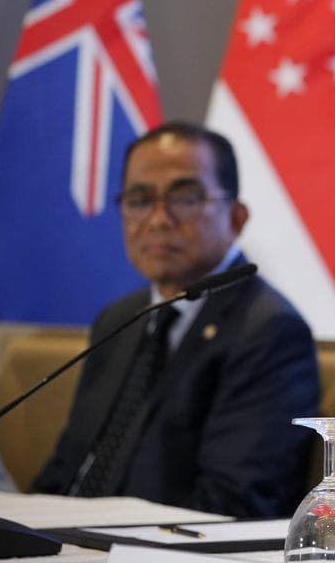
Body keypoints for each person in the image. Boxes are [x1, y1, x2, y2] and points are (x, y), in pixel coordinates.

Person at [33, 121, 319, 519]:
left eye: (184, 198)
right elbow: (67, 469)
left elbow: (231, 503)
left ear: (236, 218)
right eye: (139, 200)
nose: (158, 219)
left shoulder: (268, 331)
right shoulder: (119, 319)